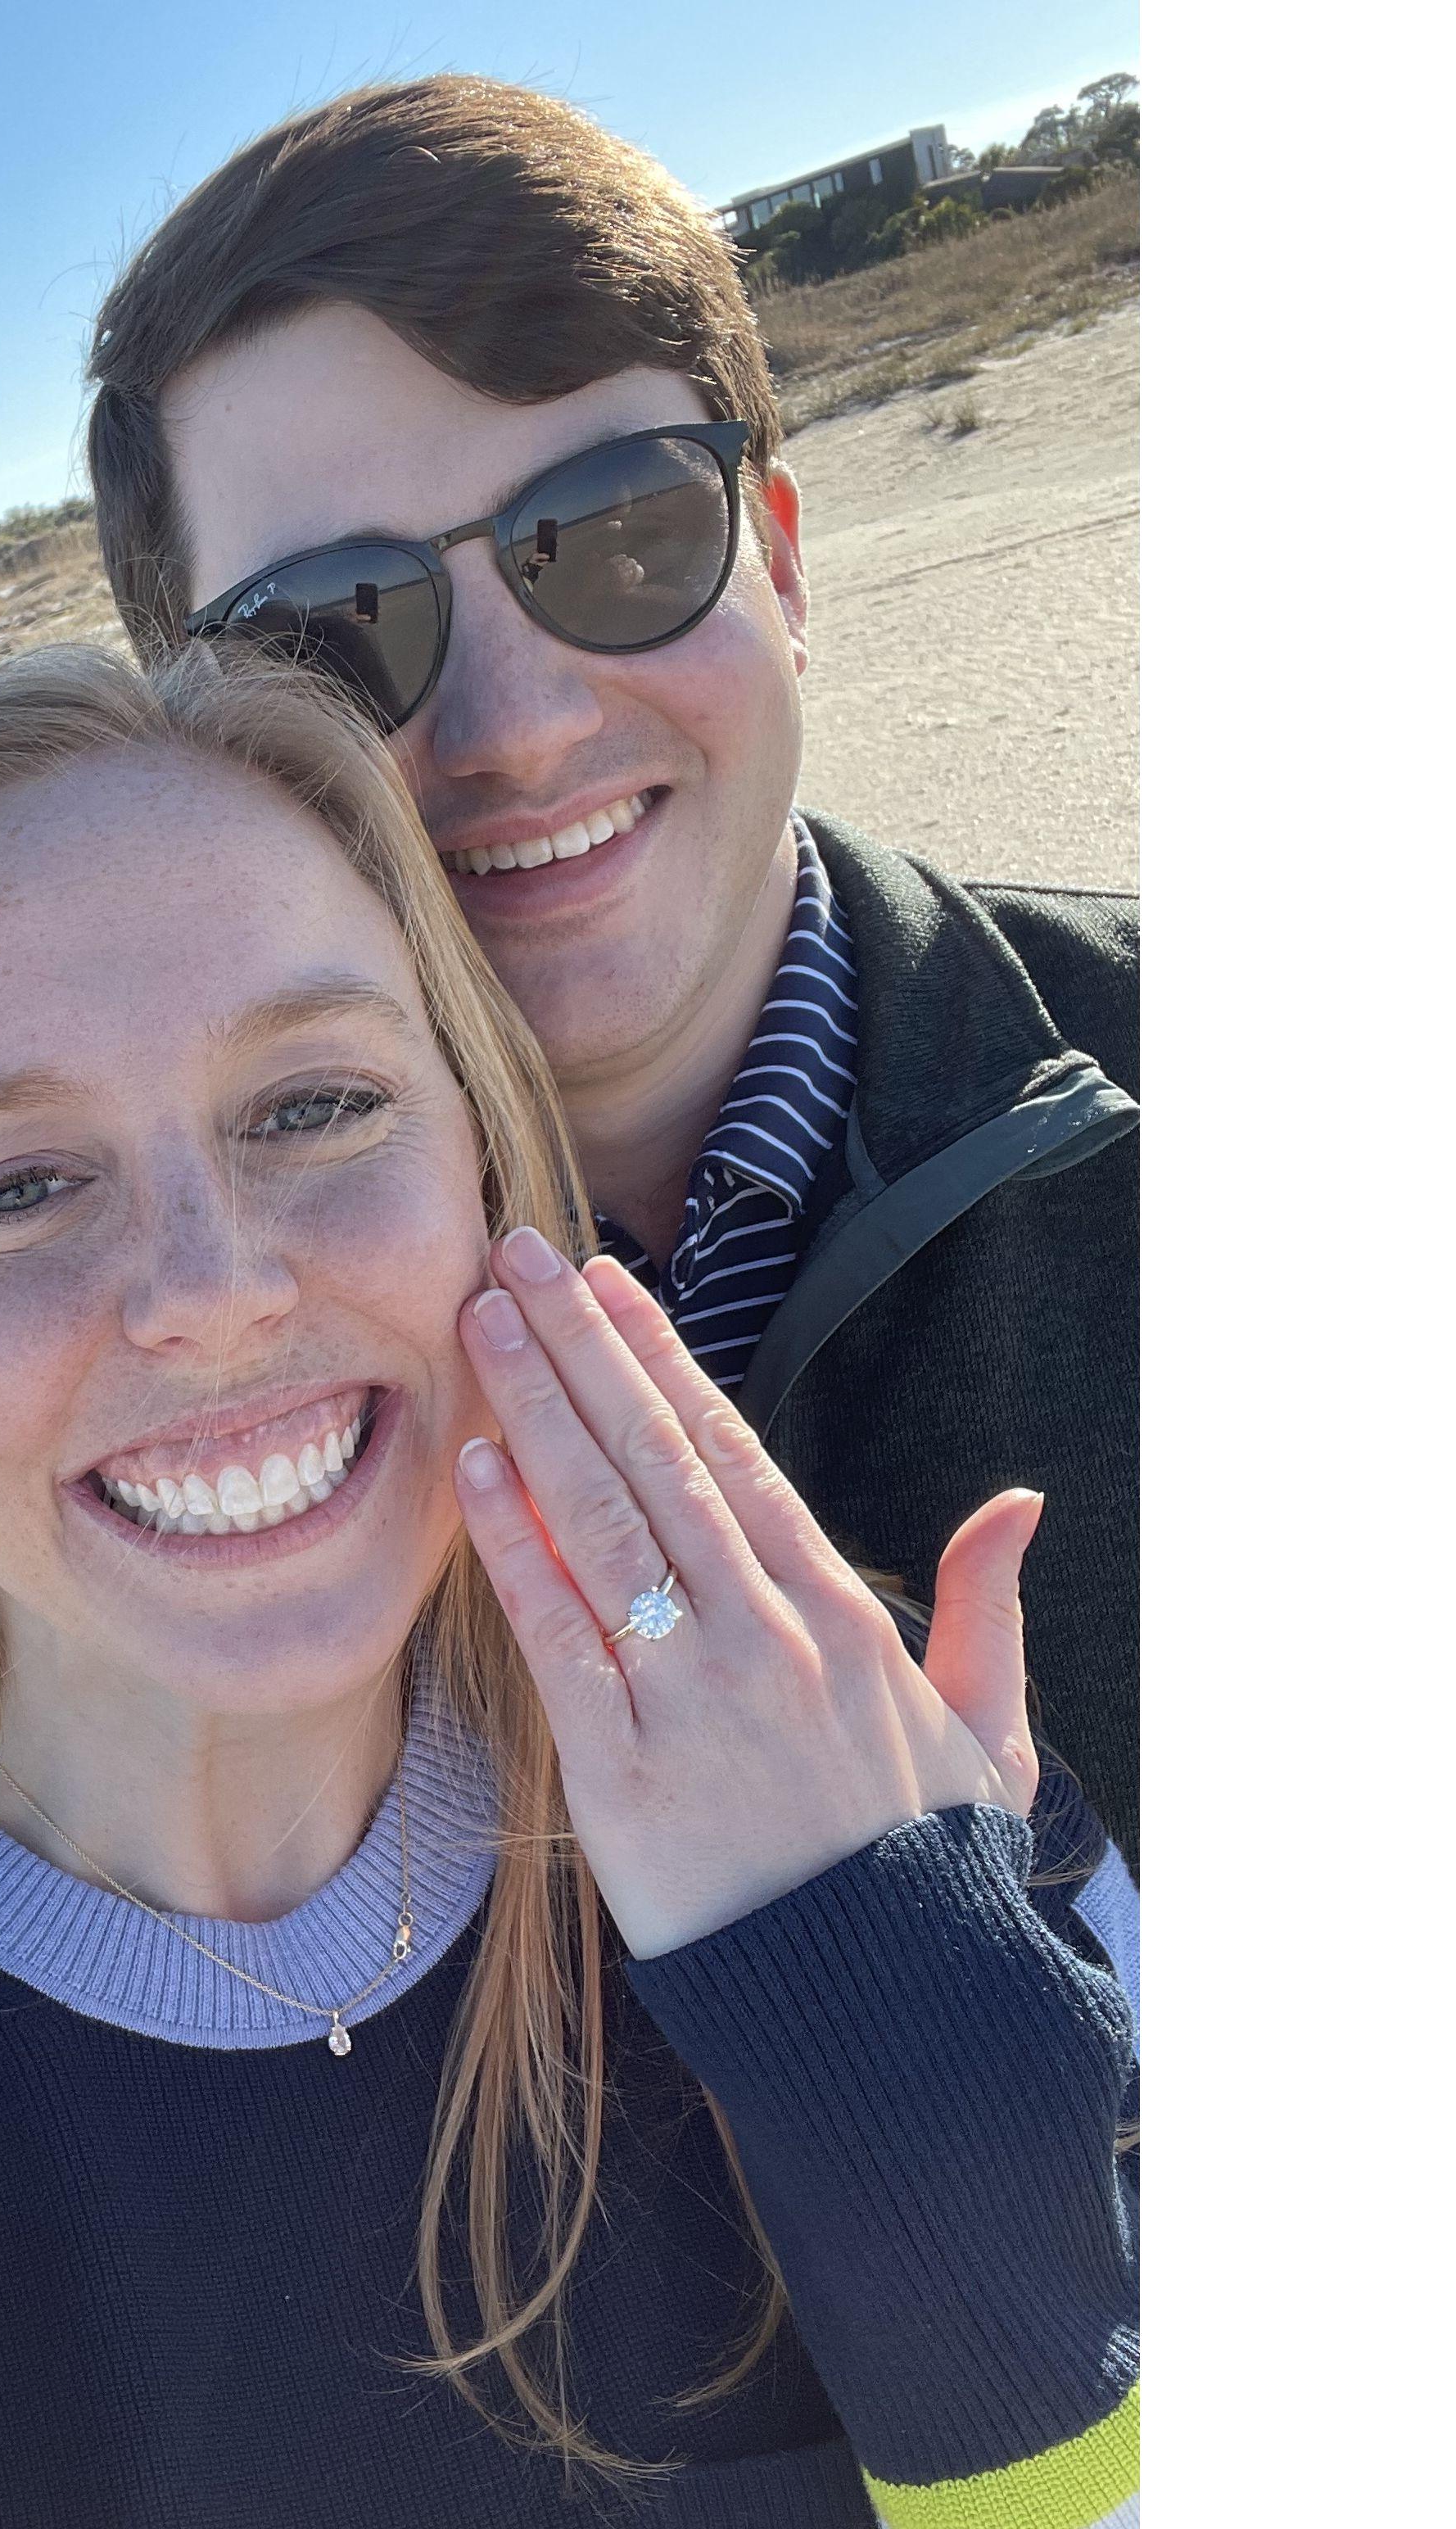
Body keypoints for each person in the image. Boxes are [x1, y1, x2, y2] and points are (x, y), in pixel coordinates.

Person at [0, 645, 1137, 2527]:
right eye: (9, 1190)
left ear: (482, 1157)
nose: (209, 1285)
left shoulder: (855, 1776)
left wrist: (949, 2164)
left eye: (312, 1104)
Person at [84, 75, 1142, 1865]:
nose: (518, 724)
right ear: (208, 748)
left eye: (621, 531)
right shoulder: (149, 1377)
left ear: (781, 568)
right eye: (333, 637)